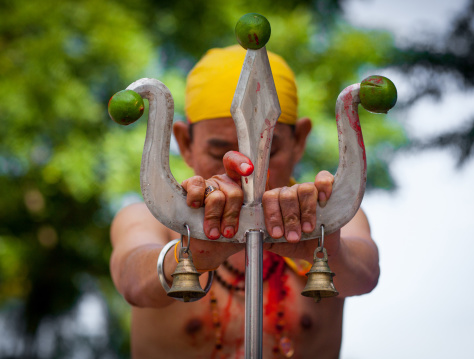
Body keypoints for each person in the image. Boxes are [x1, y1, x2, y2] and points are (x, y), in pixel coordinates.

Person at [110, 45, 379, 358]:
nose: (243, 169)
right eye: (218, 151)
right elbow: (133, 280)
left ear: (299, 141)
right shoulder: (146, 217)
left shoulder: (333, 216)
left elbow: (365, 275)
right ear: (185, 143)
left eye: (269, 149)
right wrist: (192, 255)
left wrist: (324, 248)